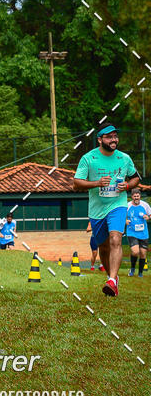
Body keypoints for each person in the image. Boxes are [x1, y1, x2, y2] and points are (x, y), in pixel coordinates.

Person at [73, 125, 140, 297]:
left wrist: (126, 185)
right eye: (109, 137)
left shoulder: (124, 158)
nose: (114, 140)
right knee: (102, 246)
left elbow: (135, 179)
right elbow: (77, 183)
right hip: (97, 209)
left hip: (117, 205)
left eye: (115, 136)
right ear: (100, 139)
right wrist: (96, 183)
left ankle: (111, 280)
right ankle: (113, 280)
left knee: (116, 239)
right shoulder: (89, 158)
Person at [125, 187, 151, 278]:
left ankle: (140, 273)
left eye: (138, 196)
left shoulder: (145, 205)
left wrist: (148, 217)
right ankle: (132, 269)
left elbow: (150, 214)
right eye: (135, 196)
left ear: (140, 196)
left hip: (143, 233)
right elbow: (121, 216)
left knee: (143, 253)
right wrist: (125, 221)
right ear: (132, 197)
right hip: (132, 232)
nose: (136, 197)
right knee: (135, 252)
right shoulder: (127, 206)